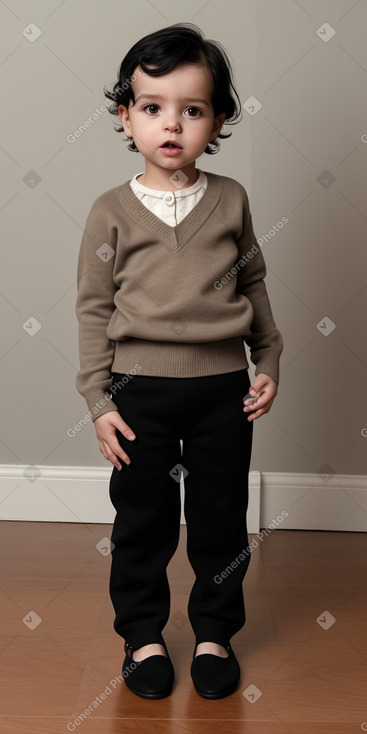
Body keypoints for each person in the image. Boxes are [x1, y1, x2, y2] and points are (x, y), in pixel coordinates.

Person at [75, 22, 283, 701]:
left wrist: (268, 358)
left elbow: (252, 285)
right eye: (152, 107)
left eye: (192, 110)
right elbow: (93, 311)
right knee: (142, 520)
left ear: (217, 118)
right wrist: (100, 403)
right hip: (139, 393)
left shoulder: (230, 201)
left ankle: (215, 633)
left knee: (220, 518)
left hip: (222, 388)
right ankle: (142, 635)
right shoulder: (109, 212)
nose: (172, 125)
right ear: (125, 116)